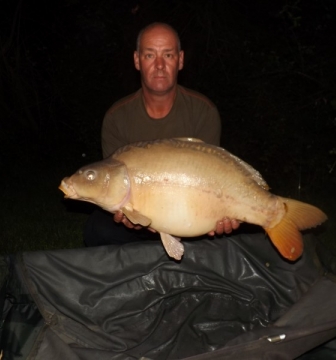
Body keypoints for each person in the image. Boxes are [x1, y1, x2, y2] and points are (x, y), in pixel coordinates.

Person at [84, 22, 240, 247]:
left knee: (226, 240)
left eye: (168, 55)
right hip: (136, 224)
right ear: (137, 60)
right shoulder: (117, 117)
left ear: (181, 60)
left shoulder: (203, 111)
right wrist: (128, 216)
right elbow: (114, 190)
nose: (159, 65)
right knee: (98, 229)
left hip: (191, 218)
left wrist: (222, 216)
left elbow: (215, 178)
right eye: (150, 55)